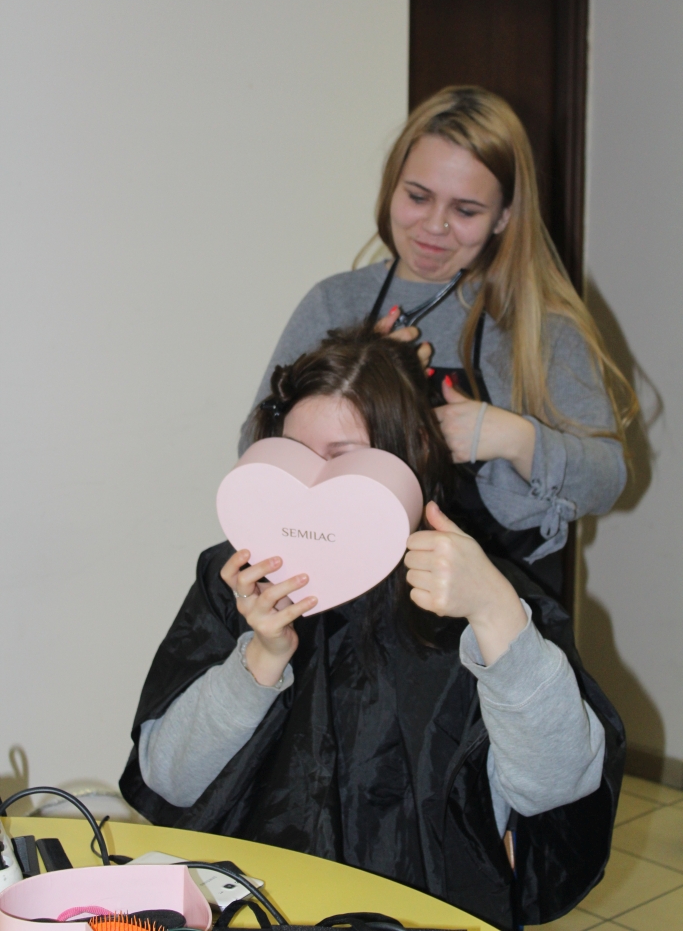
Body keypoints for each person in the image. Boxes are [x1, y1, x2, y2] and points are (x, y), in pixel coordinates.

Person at [120, 326, 624, 931]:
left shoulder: (480, 594)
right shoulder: (237, 580)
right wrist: (259, 661)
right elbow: (168, 779)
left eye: (342, 456)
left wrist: (496, 615)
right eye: (295, 455)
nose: (313, 486)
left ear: (412, 450)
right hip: (258, 905)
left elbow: (556, 787)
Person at [239, 86, 637, 599]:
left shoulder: (542, 325)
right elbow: (256, 452)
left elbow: (608, 481)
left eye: (466, 210)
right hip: (352, 606)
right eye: (418, 197)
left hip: (503, 612)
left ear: (504, 216)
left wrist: (517, 439)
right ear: (392, 187)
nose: (434, 226)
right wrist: (355, 372)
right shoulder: (334, 303)